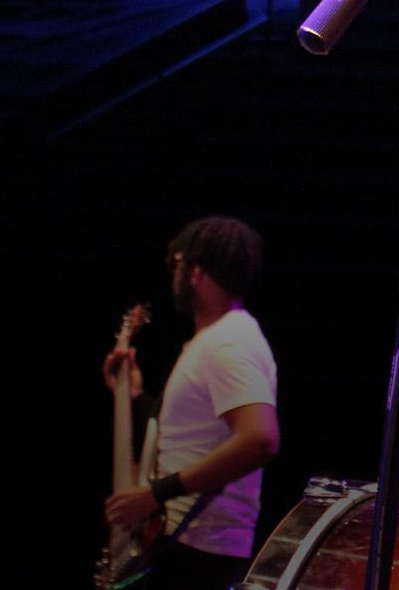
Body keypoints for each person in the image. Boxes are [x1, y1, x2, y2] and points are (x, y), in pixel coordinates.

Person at [103, 215, 279, 589]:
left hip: (200, 554)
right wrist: (135, 396)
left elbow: (260, 439)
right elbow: (189, 437)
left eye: (177, 265)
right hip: (185, 544)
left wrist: (155, 495)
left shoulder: (227, 343)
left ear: (195, 271)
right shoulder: (216, 339)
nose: (174, 276)